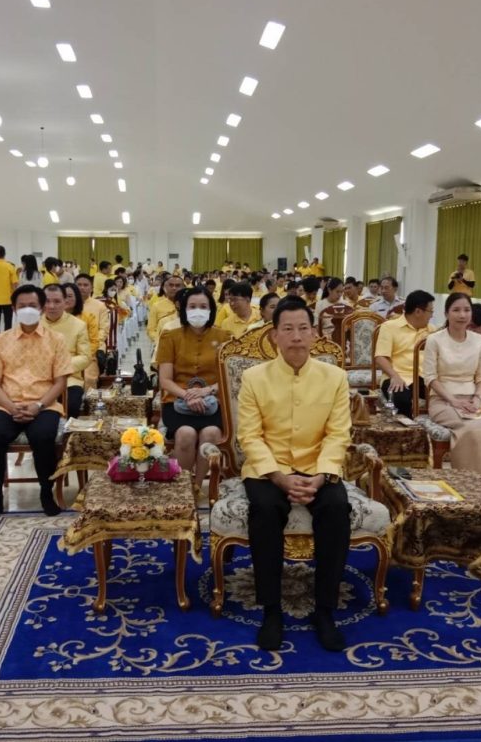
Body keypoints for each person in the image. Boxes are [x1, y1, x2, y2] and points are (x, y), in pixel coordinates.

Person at [236, 295, 353, 652]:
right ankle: (271, 610)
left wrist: (322, 475)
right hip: (267, 469)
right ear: (274, 335)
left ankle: (325, 610)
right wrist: (278, 477)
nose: (297, 336)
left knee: (336, 508)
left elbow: (338, 434)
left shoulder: (335, 377)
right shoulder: (254, 377)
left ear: (314, 333)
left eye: (303, 328)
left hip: (319, 466)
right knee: (265, 509)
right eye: (288, 329)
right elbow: (249, 436)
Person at [0, 284, 73, 520]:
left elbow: (60, 382)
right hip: (7, 405)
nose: (27, 310)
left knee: (43, 436)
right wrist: (12, 407)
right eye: (21, 306)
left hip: (44, 404)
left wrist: (38, 406)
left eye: (32, 305)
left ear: (42, 308)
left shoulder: (56, 340)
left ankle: (46, 493)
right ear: (13, 309)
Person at [423, 293, 481, 478]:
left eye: (466, 310)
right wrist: (453, 400)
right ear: (446, 313)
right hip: (442, 400)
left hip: (472, 399)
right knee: (470, 428)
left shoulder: (479, 341)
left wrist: (478, 398)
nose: (462, 315)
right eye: (456, 310)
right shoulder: (434, 339)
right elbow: (430, 377)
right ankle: (466, 478)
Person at [156, 286, 231, 491]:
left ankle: (197, 487)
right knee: (186, 434)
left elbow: (229, 377)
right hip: (177, 401)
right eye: (192, 306)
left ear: (211, 310)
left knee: (211, 434)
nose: (198, 311)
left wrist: (207, 391)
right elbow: (165, 380)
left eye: (203, 306)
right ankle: (184, 488)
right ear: (184, 309)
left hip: (214, 402)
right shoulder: (170, 337)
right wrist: (188, 395)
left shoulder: (225, 337)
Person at [374, 290, 436, 416]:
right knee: (401, 400)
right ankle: (408, 428)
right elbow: (380, 357)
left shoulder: (431, 330)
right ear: (418, 312)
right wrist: (394, 376)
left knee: (445, 395)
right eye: (430, 311)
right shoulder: (389, 327)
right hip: (398, 376)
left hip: (424, 377)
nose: (431, 316)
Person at [41, 284, 91, 419]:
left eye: (57, 301)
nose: (51, 306)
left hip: (69, 378)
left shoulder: (78, 325)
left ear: (65, 302)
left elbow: (85, 357)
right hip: (39, 379)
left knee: (71, 404)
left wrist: (59, 367)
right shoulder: (34, 325)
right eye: (47, 301)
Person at [147, 274, 184, 342]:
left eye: (177, 285)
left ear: (183, 288)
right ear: (165, 288)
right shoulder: (156, 306)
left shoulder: (189, 305)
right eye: (171, 285)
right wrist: (160, 340)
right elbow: (151, 330)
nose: (174, 288)